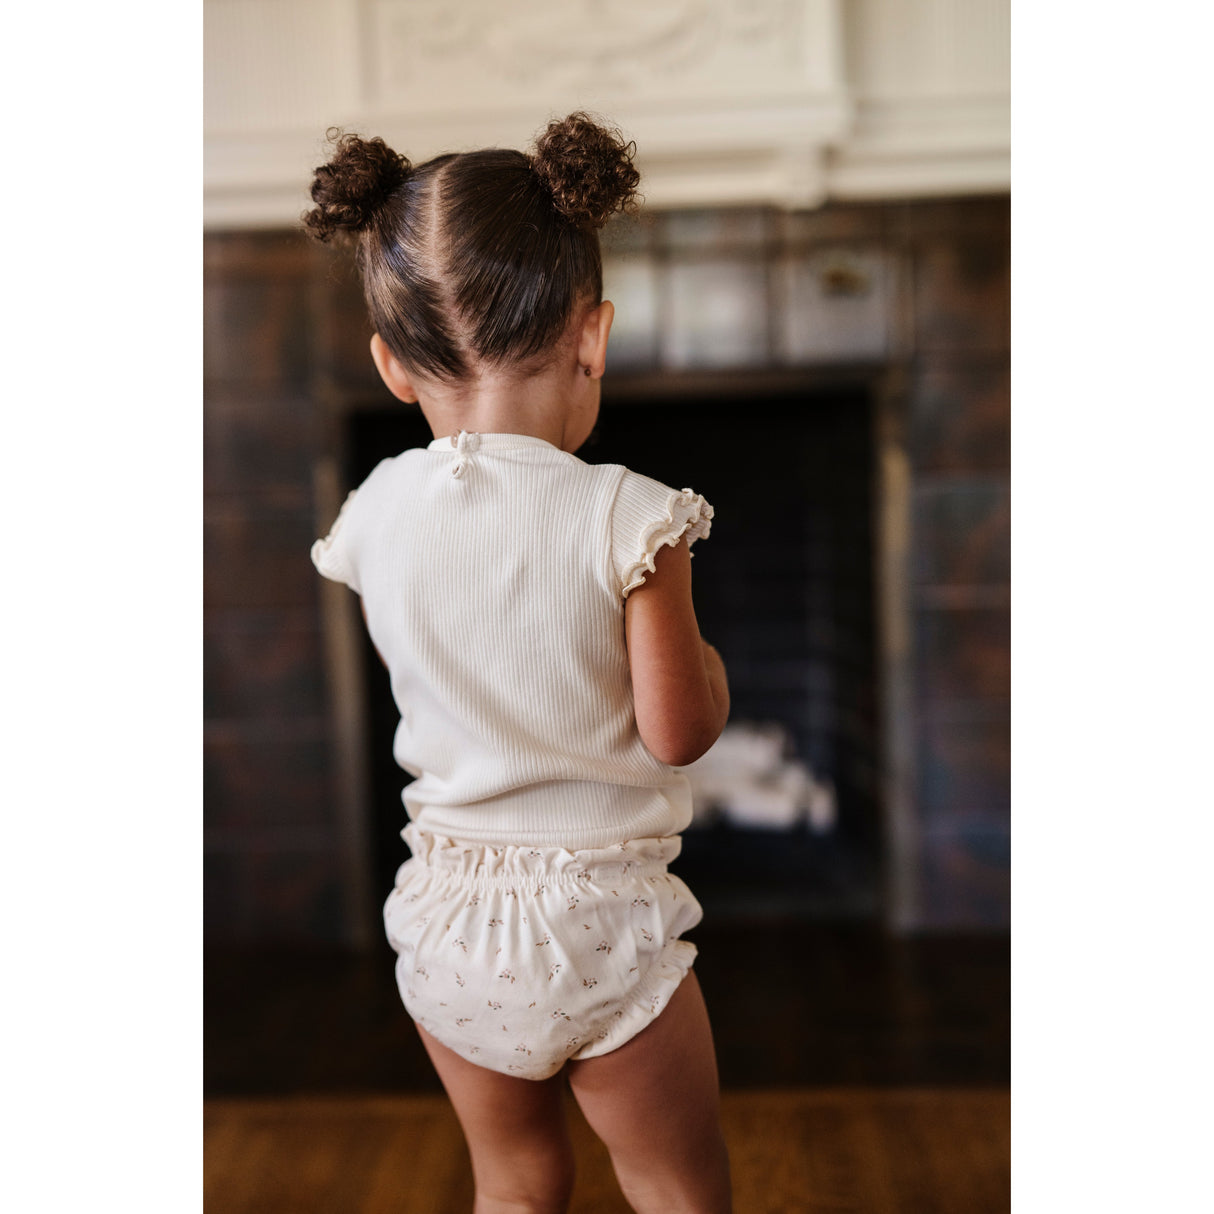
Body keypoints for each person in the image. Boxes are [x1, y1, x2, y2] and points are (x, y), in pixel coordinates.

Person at [306, 112, 733, 1214]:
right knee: (674, 1186)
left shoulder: (374, 509)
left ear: (392, 366)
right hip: (599, 921)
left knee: (513, 1185)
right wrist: (709, 665)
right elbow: (678, 731)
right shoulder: (631, 516)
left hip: (447, 918)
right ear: (592, 337)